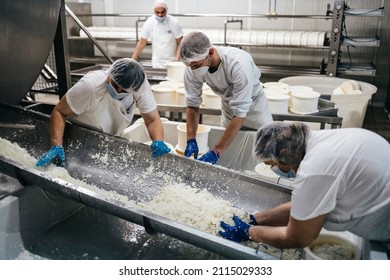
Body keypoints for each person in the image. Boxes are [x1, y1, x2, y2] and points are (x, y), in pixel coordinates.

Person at [219, 122, 390, 250]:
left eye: (273, 164)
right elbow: (305, 208)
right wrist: (255, 219)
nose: (273, 168)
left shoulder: (314, 169)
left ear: (284, 154)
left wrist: (250, 232)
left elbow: (298, 238)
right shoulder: (320, 141)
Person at [36, 58, 170, 167]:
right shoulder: (90, 86)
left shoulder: (140, 87)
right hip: (76, 136)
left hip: (108, 138)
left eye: (123, 90)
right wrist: (56, 146)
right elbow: (59, 111)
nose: (117, 91)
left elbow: (152, 119)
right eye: (114, 84)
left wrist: (158, 141)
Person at [179, 31, 273, 165]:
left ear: (210, 53)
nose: (193, 70)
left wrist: (216, 151)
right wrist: (191, 139)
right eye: (190, 67)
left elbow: (240, 113)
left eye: (196, 66)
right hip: (229, 109)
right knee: (230, 155)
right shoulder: (192, 65)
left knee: (265, 152)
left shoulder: (239, 64)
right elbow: (192, 103)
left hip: (255, 109)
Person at [131, 0, 183, 69]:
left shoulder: (173, 22)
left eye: (162, 12)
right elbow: (142, 42)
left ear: (166, 10)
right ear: (153, 11)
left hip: (172, 61)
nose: (160, 15)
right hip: (157, 63)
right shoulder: (149, 23)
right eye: (157, 12)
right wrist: (131, 61)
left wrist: (176, 61)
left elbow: (180, 43)